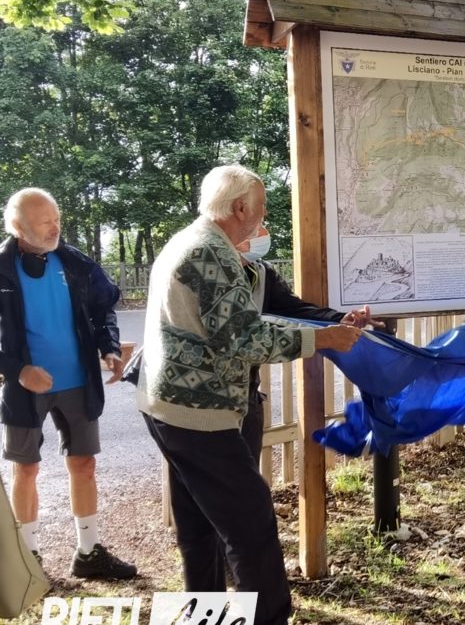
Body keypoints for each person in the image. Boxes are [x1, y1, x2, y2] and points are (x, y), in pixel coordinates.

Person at [136, 165, 362, 625]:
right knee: (251, 524)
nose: (264, 217)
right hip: (199, 413)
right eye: (261, 207)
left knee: (200, 523)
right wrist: (322, 339)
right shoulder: (211, 254)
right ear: (241, 208)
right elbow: (244, 339)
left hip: (170, 405)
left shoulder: (191, 241)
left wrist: (329, 324)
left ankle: (204, 614)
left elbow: (250, 321)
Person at [0, 188, 136, 579]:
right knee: (25, 470)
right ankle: (28, 562)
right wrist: (18, 370)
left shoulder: (75, 262)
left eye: (57, 218)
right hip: (24, 388)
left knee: (84, 464)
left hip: (78, 381)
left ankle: (89, 553)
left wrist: (110, 348)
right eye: (46, 221)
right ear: (18, 226)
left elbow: (103, 310)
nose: (55, 227)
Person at [235, 226, 386, 463]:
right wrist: (321, 337)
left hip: (248, 393)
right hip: (211, 402)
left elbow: (295, 310)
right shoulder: (212, 272)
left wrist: (340, 319)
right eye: (255, 224)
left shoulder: (262, 272)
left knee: (244, 470)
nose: (263, 229)